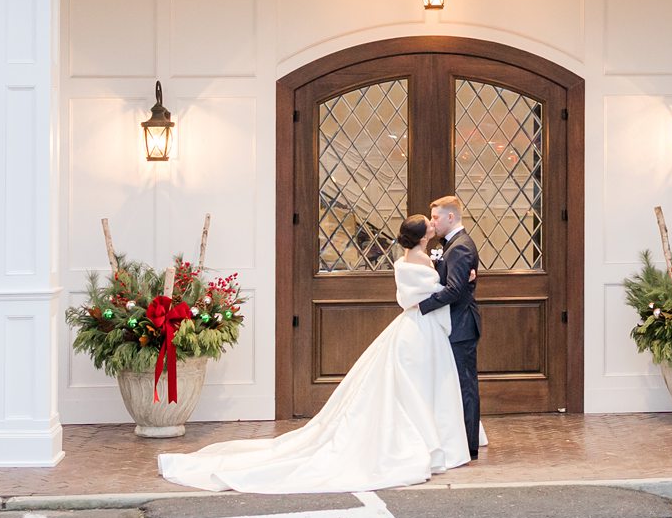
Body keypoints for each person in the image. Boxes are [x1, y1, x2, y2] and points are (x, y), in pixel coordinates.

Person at [157, 214, 469, 493]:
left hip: (411, 326)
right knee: (418, 385)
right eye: (428, 224)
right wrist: (462, 278)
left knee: (407, 385)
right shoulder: (423, 260)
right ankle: (424, 442)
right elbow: (440, 291)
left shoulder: (409, 258)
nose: (433, 224)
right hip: (421, 327)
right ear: (423, 236)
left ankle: (425, 438)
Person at [414, 195, 481, 461]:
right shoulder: (452, 245)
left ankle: (469, 444)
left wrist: (422, 306)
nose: (432, 222)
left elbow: (455, 289)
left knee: (465, 385)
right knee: (455, 384)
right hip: (454, 324)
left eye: (436, 217)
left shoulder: (461, 246)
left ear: (450, 217)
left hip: (462, 325)